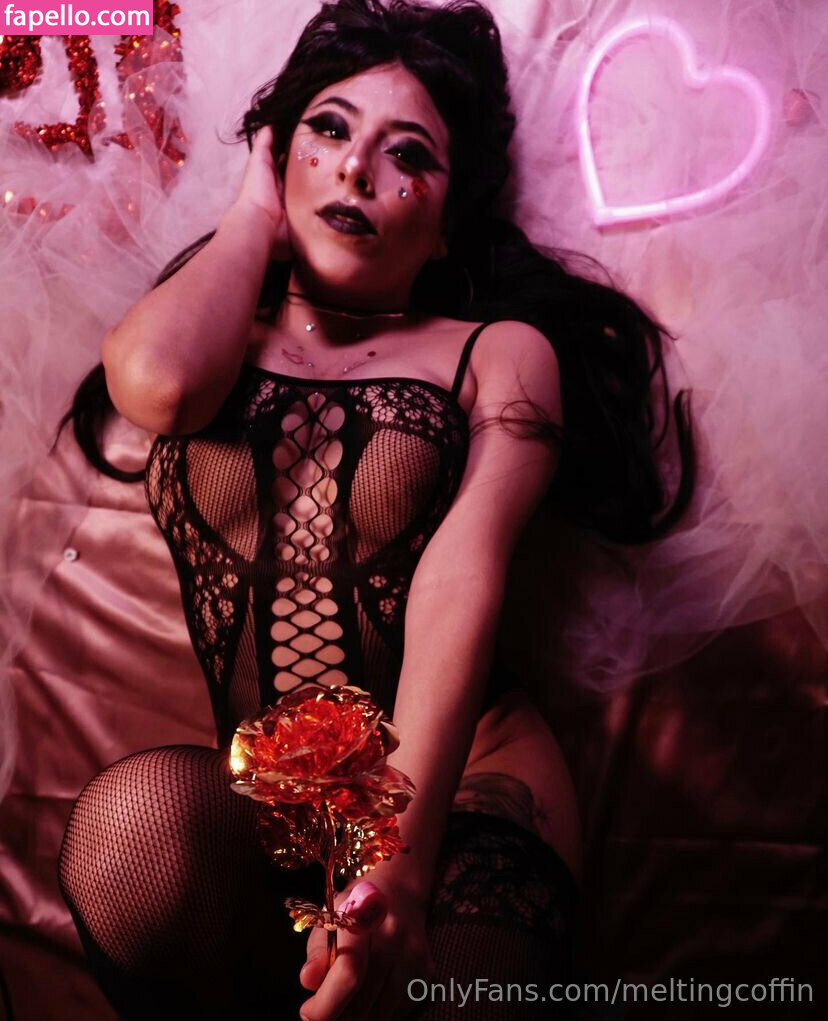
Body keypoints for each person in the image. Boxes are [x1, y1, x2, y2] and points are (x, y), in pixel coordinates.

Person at [54, 1, 695, 1018]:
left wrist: (396, 857)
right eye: (328, 128)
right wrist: (253, 218)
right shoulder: (213, 335)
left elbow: (463, 574)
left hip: (462, 794)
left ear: (446, 225)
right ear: (279, 154)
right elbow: (159, 386)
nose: (357, 169)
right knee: (130, 830)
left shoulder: (496, 354)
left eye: (409, 156)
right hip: (273, 797)